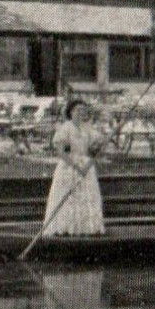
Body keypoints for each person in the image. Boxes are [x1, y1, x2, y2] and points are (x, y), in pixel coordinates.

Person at [42, 98, 106, 236]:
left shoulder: (87, 128)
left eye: (83, 111)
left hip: (86, 165)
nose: (81, 113)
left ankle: (84, 228)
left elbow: (94, 146)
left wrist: (98, 146)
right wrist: (76, 167)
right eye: (78, 110)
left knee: (86, 196)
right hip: (69, 166)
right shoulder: (66, 128)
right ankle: (65, 228)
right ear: (70, 112)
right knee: (68, 196)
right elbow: (60, 151)